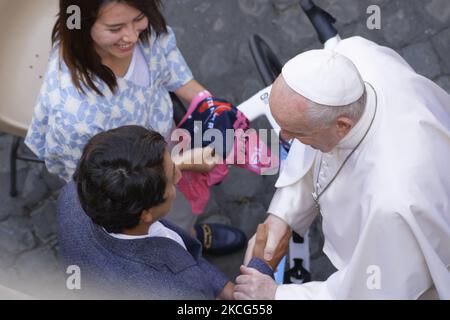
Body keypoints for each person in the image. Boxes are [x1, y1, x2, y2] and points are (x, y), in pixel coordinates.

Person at [237, 36, 450, 300]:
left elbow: (374, 289)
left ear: (342, 126)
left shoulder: (392, 201)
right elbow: (316, 146)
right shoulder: (351, 52)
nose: (285, 137)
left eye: (294, 132)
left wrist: (276, 295)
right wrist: (282, 216)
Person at [24, 0, 244, 253]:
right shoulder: (75, 116)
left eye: (139, 18)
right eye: (115, 28)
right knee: (162, 219)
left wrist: (211, 106)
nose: (131, 36)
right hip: (136, 179)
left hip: (162, 139)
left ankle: (187, 234)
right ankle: (180, 245)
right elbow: (104, 185)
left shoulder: (143, 32)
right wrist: (180, 164)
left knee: (177, 208)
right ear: (83, 25)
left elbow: (169, 67)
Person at [57, 125, 288, 299]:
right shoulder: (178, 287)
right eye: (171, 178)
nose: (179, 175)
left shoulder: (73, 195)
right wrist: (259, 271)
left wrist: (224, 288)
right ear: (145, 214)